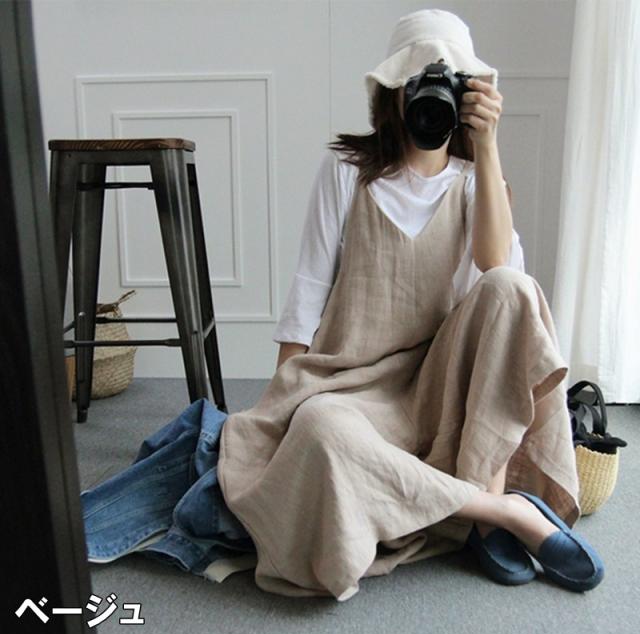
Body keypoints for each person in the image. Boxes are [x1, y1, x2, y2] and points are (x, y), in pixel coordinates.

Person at [216, 8, 604, 601]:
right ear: (394, 94)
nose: (432, 99)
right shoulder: (347, 171)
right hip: (354, 391)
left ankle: (480, 499)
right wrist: (280, 404)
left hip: (443, 388)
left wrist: (488, 147)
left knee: (512, 286)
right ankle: (500, 512)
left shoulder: (475, 180)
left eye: (448, 85)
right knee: (319, 429)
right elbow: (308, 290)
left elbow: (500, 273)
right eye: (420, 83)